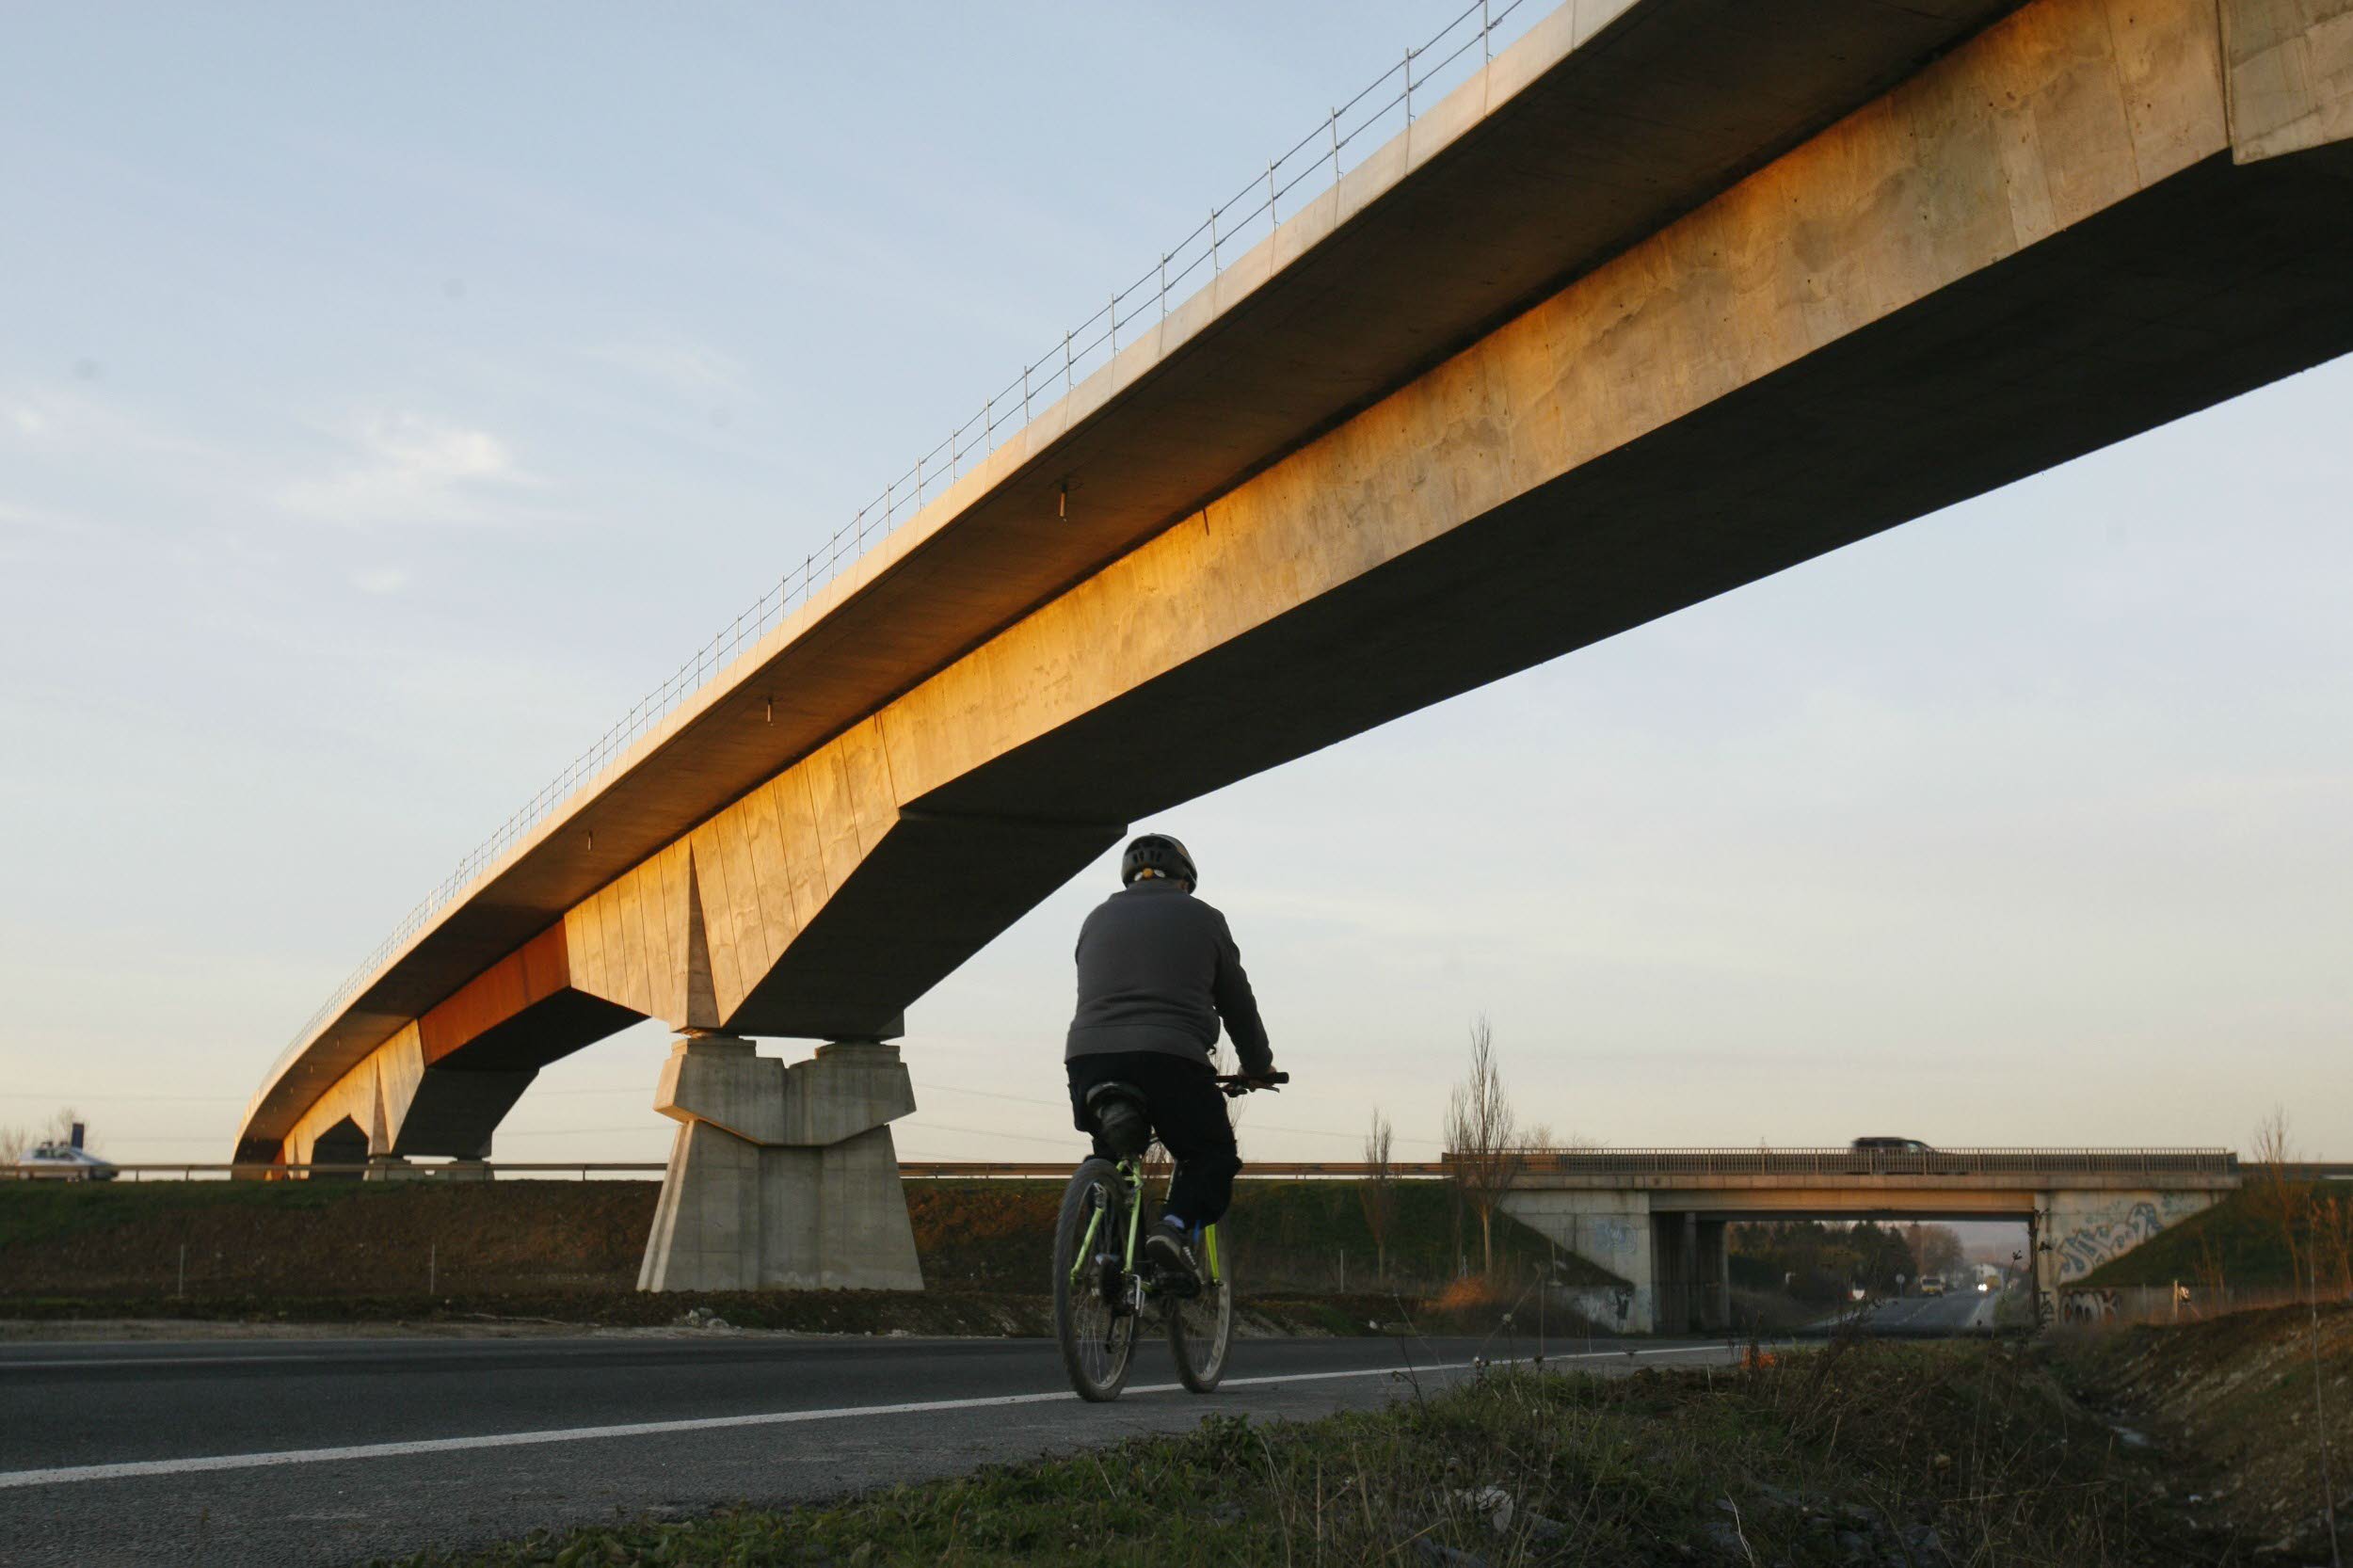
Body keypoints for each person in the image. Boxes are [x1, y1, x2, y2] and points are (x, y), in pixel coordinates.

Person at [1066, 832, 1277, 1285]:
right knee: (1210, 1155)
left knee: (1113, 1153)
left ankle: (1106, 1257)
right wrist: (1257, 1066)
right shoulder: (1204, 919)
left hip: (1089, 1059)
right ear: (1185, 880)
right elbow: (1237, 1003)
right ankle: (1175, 1229)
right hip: (1170, 1058)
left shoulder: (1095, 918)